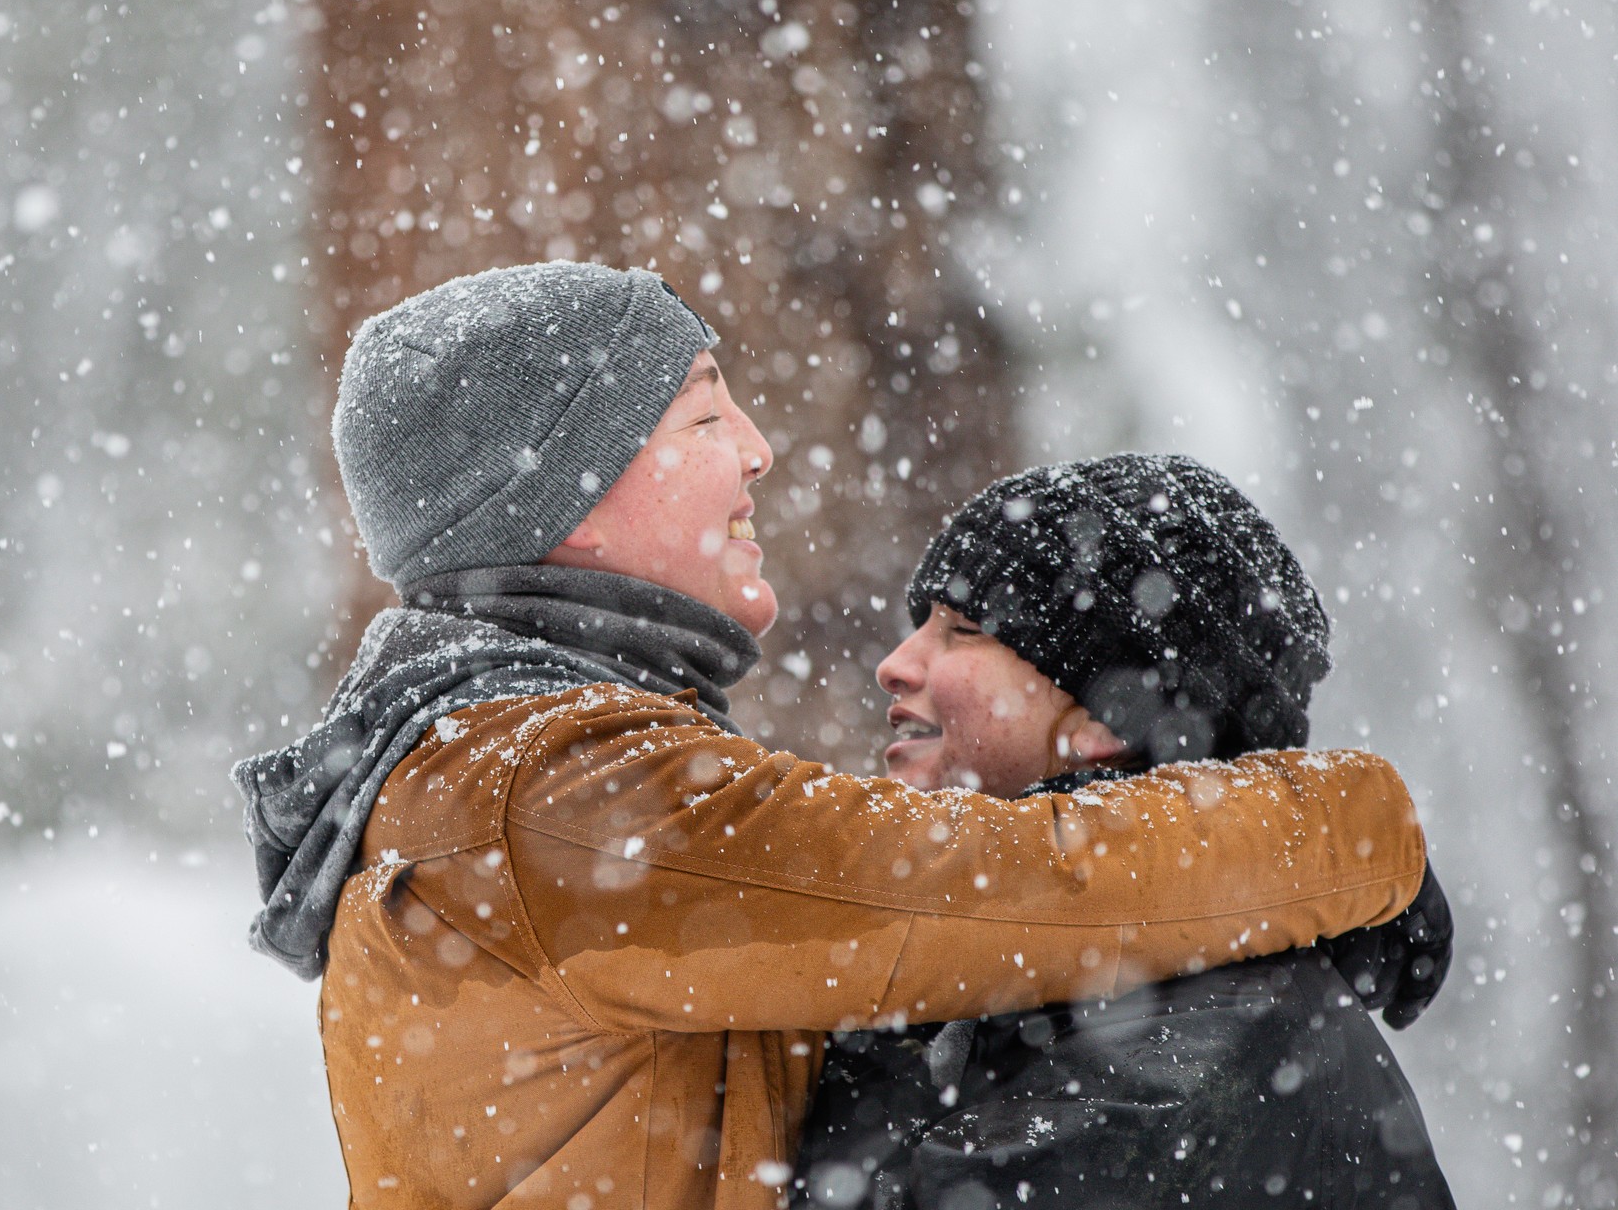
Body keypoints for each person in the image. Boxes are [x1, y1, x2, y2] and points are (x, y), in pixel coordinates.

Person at [230, 263, 1445, 1210]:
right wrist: (1349, 831)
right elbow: (999, 887)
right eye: (703, 416)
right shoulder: (549, 789)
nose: (755, 450)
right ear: (567, 491)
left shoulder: (508, 765)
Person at [792, 455, 1454, 1209]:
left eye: (964, 630)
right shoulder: (1098, 977)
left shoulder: (1199, 1044)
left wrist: (849, 1042)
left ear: (1114, 714)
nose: (894, 665)